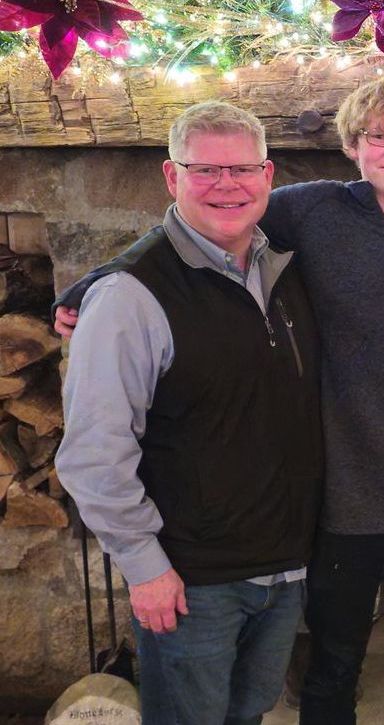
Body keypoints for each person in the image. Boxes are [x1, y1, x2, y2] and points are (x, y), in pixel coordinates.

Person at [55, 78, 384, 724]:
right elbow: (193, 232)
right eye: (379, 134)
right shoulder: (311, 210)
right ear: (354, 144)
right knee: (333, 662)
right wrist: (96, 281)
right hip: (342, 500)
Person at [55, 101, 323, 724]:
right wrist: (143, 567)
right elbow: (95, 451)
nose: (226, 185)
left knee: (247, 715)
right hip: (190, 579)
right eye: (205, 170)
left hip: (281, 565)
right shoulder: (129, 295)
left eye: (241, 169)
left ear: (268, 176)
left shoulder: (281, 269)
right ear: (172, 178)